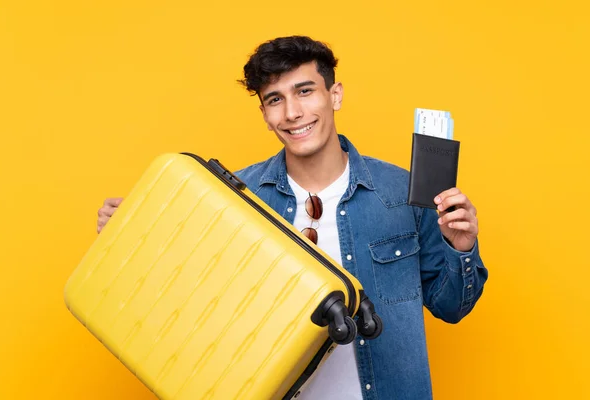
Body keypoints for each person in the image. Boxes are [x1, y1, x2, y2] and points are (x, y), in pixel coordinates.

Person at [96, 36, 488, 400]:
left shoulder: (403, 194)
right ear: (265, 114)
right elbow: (191, 300)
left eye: (304, 91)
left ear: (334, 95)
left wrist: (462, 248)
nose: (292, 112)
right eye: (275, 99)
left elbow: (451, 307)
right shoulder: (234, 197)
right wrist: (133, 236)